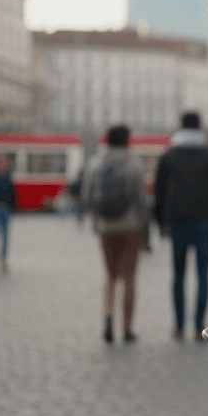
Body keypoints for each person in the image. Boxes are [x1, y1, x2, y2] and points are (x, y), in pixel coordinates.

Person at [154, 111, 208, 340]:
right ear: (200, 127)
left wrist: (160, 220)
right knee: (203, 275)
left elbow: (160, 191)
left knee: (178, 274)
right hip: (204, 222)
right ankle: (199, 326)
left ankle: (178, 325)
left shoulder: (169, 156)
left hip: (177, 222)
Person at [84, 125, 149, 344]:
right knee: (129, 277)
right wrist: (144, 230)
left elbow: (87, 197)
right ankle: (127, 328)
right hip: (130, 226)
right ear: (128, 141)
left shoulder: (95, 162)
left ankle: (108, 318)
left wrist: (97, 222)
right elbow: (142, 199)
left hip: (106, 228)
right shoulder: (134, 163)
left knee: (110, 276)